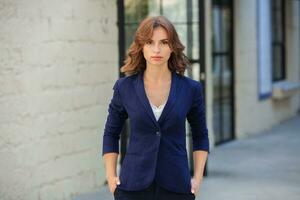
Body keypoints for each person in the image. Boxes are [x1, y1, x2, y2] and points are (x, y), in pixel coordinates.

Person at [102, 16, 209, 200]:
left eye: (164, 42)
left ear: (172, 47)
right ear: (141, 47)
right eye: (150, 42)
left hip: (176, 186)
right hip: (133, 186)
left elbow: (200, 135)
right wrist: (111, 177)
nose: (157, 49)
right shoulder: (124, 88)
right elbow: (111, 133)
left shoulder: (191, 89)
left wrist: (197, 179)